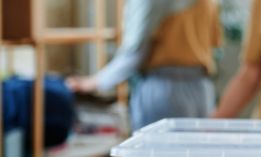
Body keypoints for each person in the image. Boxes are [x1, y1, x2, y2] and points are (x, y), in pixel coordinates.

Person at [66, 0, 221, 131]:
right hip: (202, 90)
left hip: (165, 92)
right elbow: (215, 42)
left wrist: (93, 82)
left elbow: (135, 54)